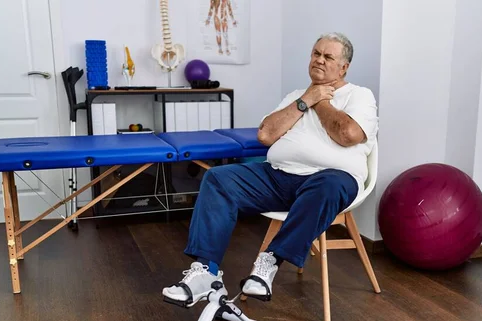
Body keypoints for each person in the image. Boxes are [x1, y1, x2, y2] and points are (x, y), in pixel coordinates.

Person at [162, 32, 378, 306]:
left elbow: (348, 134)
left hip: (332, 181)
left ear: (344, 67)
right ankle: (206, 272)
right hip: (278, 178)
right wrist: (304, 101)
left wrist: (319, 100)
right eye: (315, 53)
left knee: (328, 185)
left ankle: (269, 262)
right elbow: (265, 135)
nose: (319, 60)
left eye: (328, 57)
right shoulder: (295, 96)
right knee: (218, 178)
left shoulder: (359, 96)